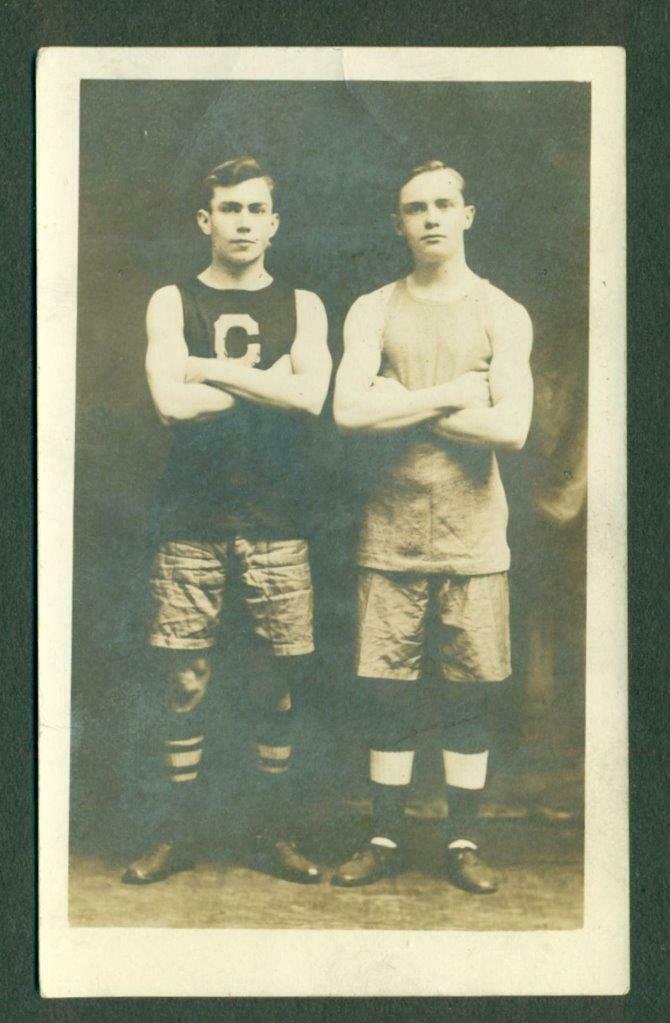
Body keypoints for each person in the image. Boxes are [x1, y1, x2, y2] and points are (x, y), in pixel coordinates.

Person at [122, 157, 332, 885]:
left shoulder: (303, 302)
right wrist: (268, 383)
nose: (242, 221)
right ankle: (176, 832)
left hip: (279, 514)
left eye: (255, 209)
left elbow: (311, 400)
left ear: (275, 221)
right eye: (229, 208)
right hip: (191, 515)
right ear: (204, 220)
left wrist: (207, 369)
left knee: (275, 677)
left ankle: (271, 830)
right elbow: (170, 405)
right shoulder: (171, 299)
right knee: (186, 677)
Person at [331, 160, 533, 892]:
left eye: (445, 203)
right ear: (398, 222)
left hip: (474, 534)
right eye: (415, 207)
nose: (431, 217)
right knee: (386, 690)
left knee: (467, 694)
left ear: (469, 213)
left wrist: (402, 400)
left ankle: (463, 842)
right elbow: (349, 412)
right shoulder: (372, 308)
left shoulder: (501, 311)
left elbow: (511, 428)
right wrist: (454, 394)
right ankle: (383, 837)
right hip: (388, 532)